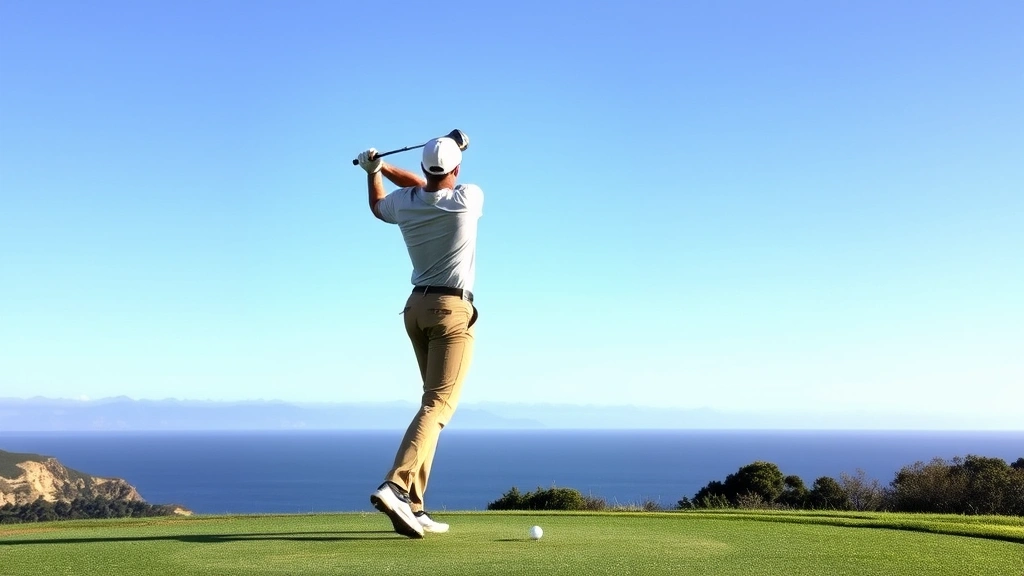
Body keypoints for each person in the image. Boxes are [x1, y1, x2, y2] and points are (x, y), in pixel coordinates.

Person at [355, 136, 483, 538]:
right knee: (439, 406)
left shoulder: (405, 204)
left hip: (416, 310)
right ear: (456, 170)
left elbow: (381, 205)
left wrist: (374, 171)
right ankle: (395, 486)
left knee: (431, 405)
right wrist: (383, 170)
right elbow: (431, 184)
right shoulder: (468, 197)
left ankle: (414, 504)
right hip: (451, 312)